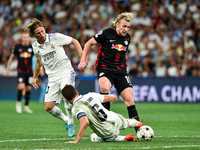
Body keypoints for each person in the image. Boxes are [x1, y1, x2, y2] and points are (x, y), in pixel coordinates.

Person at [78, 12, 141, 132]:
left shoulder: (128, 38)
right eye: (123, 26)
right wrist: (83, 59)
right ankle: (105, 125)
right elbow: (88, 43)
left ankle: (139, 129)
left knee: (129, 99)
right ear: (117, 24)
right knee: (105, 89)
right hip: (105, 69)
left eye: (128, 27)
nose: (125, 29)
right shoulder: (106, 33)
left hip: (121, 72)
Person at [24, 18, 85, 137]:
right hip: (52, 77)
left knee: (68, 97)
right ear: (33, 35)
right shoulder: (35, 46)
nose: (42, 34)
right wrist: (35, 77)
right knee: (48, 107)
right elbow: (38, 61)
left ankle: (72, 122)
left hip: (66, 72)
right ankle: (67, 120)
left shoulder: (55, 37)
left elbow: (74, 41)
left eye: (42, 31)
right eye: (38, 33)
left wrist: (82, 58)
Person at [61, 85, 143, 143]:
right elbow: (113, 98)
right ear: (76, 92)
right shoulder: (90, 95)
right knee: (123, 121)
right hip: (115, 118)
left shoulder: (76, 108)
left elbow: (85, 122)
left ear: (66, 99)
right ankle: (135, 123)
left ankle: (124, 138)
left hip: (108, 131)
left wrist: (77, 140)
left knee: (94, 137)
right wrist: (115, 99)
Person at [5, 32, 34, 114]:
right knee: (21, 87)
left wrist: (40, 69)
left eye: (27, 37)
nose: (25, 38)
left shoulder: (32, 47)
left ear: (29, 38)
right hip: (21, 71)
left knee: (28, 88)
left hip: (29, 71)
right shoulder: (18, 47)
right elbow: (11, 58)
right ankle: (18, 103)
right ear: (22, 38)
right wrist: (8, 69)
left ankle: (26, 107)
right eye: (24, 37)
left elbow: (38, 58)